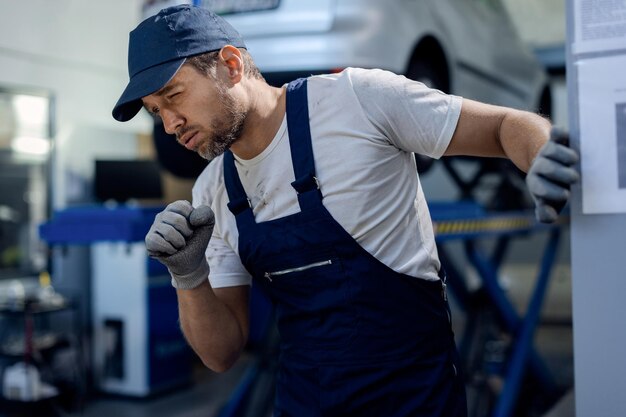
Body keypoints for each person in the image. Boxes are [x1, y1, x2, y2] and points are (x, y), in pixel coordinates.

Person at [112, 4, 579, 416]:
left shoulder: (358, 100)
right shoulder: (213, 190)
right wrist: (188, 277)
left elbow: (503, 126)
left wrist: (537, 156)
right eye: (156, 112)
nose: (170, 124)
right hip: (306, 401)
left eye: (173, 96)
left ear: (231, 65)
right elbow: (221, 354)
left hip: (415, 400)